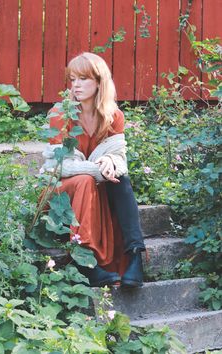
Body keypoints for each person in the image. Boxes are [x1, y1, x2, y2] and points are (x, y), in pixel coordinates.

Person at [41, 52, 146, 288]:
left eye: (84, 79)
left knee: (121, 178)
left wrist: (111, 161)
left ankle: (135, 254)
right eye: (73, 79)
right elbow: (60, 166)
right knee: (86, 180)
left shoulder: (113, 116)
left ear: (99, 82)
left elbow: (119, 156)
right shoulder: (62, 114)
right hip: (60, 193)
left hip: (94, 193)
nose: (76, 85)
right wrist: (98, 169)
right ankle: (84, 260)